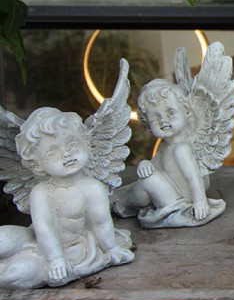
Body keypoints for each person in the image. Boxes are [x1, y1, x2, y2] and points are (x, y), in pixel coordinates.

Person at [0, 108, 134, 289]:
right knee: (3, 238)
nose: (66, 154)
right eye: (52, 153)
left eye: (72, 145)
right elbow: (44, 229)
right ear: (37, 165)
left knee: (18, 273)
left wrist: (111, 249)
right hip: (41, 241)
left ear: (87, 145)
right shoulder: (40, 192)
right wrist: (54, 257)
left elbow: (101, 224)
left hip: (72, 248)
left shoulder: (93, 188)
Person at [112, 79, 225, 227]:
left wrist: (200, 203)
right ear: (148, 125)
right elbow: (155, 166)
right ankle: (125, 201)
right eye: (155, 118)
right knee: (147, 176)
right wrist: (145, 164)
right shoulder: (166, 147)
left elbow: (194, 177)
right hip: (173, 193)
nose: (163, 120)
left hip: (178, 199)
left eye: (170, 113)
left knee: (147, 180)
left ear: (186, 112)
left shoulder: (182, 148)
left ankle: (125, 204)